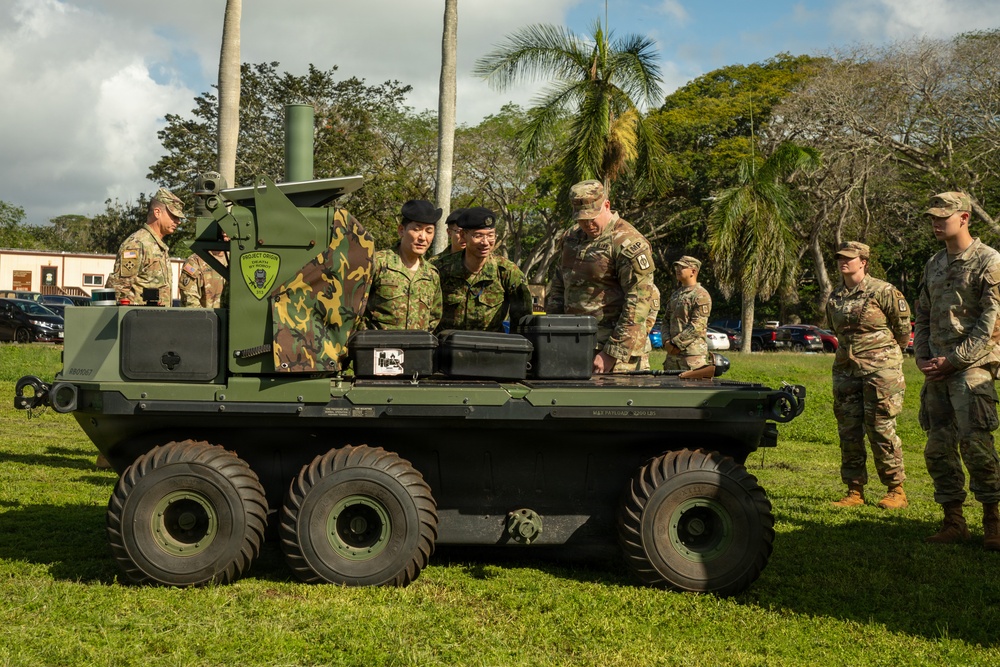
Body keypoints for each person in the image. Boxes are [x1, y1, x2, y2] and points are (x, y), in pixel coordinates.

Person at [915, 191, 1000, 549]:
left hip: (972, 368)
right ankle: (953, 520)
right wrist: (921, 356)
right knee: (938, 448)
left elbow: (992, 321)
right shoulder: (934, 262)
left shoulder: (988, 260)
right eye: (932, 217)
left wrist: (956, 360)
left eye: (942, 217)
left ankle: (993, 521)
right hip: (937, 370)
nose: (935, 223)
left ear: (964, 218)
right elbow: (922, 312)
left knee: (976, 446)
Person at [826, 241, 910, 510]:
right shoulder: (836, 296)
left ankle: (896, 489)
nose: (843, 262)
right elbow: (835, 330)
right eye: (840, 258)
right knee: (848, 431)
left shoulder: (882, 290)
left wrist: (885, 357)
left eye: (849, 258)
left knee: (881, 428)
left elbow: (902, 328)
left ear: (863, 261)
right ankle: (854, 490)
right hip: (846, 370)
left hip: (880, 371)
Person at [545, 179, 656, 374]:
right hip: (573, 346)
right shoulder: (570, 238)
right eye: (581, 218)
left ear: (607, 205)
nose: (587, 224)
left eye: (592, 217)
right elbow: (558, 285)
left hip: (615, 356)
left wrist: (612, 353)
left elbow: (638, 302)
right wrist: (552, 335)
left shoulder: (627, 242)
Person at [435, 206, 532, 332]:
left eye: (490, 235)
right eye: (478, 236)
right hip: (448, 347)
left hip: (491, 347)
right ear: (464, 236)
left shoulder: (507, 272)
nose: (485, 242)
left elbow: (523, 322)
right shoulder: (441, 268)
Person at [362, 199, 442, 331]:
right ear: (401, 230)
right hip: (377, 347)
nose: (422, 237)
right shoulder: (378, 263)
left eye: (429, 231)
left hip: (415, 348)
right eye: (416, 229)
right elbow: (355, 306)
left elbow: (434, 317)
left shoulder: (431, 274)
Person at [106, 188, 184, 306]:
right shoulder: (137, 244)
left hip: (155, 319)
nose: (178, 221)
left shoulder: (157, 245)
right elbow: (118, 289)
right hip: (138, 319)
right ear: (157, 213)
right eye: (173, 216)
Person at [663, 256, 711, 371]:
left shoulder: (701, 294)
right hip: (672, 356)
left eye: (682, 267)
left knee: (692, 388)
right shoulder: (676, 295)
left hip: (692, 356)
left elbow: (697, 325)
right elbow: (665, 320)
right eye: (677, 267)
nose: (678, 270)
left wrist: (676, 344)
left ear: (693, 271)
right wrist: (666, 341)